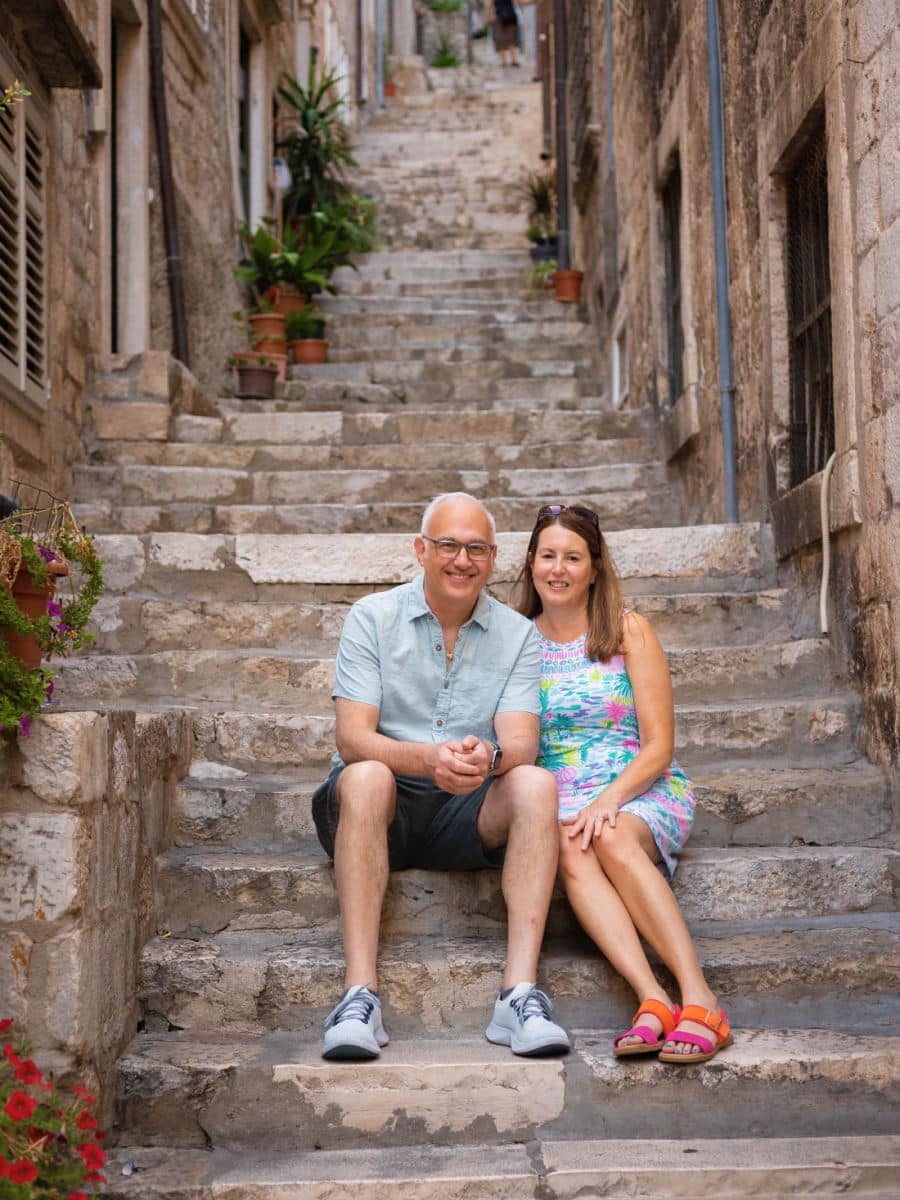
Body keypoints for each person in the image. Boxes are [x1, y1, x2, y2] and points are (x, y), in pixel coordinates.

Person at [312, 492, 570, 1061]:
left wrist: (489, 759)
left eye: (476, 548)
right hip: (381, 805)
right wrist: (429, 759)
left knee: (535, 784)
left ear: (494, 557)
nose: (462, 560)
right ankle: (359, 998)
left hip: (467, 804)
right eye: (448, 545)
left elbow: (522, 742)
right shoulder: (372, 618)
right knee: (365, 776)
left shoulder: (517, 634)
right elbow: (353, 737)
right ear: (421, 550)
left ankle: (518, 997)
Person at [517, 503, 733, 1064]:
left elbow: (661, 744)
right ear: (531, 564)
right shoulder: (515, 644)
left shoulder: (627, 630)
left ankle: (701, 999)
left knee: (608, 834)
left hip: (641, 786)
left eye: (572, 557)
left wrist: (609, 798)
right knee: (571, 842)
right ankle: (653, 999)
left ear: (594, 567)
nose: (558, 569)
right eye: (548, 556)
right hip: (562, 799)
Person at [488, 0, 520, 67]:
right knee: (507, 39)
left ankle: (507, 61)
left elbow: (490, 5)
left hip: (505, 16)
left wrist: (490, 17)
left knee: (505, 39)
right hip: (506, 16)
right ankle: (509, 61)